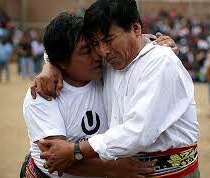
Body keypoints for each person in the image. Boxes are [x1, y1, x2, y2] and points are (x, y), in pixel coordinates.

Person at [34, 0, 200, 177]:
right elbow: (66, 46)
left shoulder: (160, 61)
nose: (102, 51)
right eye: (96, 43)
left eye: (108, 40)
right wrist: (51, 65)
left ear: (136, 29)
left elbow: (139, 132)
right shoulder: (113, 60)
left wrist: (75, 150)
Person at [21, 12, 154, 178]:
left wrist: (159, 44)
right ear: (61, 62)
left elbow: (133, 41)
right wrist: (114, 169)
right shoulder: (43, 94)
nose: (98, 55)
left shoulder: (106, 71)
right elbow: (56, 158)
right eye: (86, 51)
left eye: (95, 45)